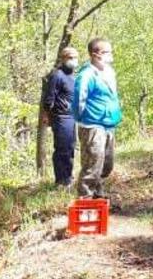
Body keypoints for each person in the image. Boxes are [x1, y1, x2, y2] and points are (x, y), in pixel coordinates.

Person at [73, 38, 122, 198]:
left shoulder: (109, 72)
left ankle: (97, 192)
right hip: (92, 125)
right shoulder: (87, 74)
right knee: (93, 163)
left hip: (108, 124)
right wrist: (83, 120)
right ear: (95, 54)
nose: (110, 55)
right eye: (107, 52)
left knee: (106, 164)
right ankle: (86, 198)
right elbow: (78, 100)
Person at [42, 47, 79, 186]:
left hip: (72, 117)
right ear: (63, 59)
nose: (73, 60)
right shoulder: (57, 76)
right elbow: (49, 98)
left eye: (75, 57)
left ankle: (68, 177)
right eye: (70, 57)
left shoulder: (73, 77)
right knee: (62, 149)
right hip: (61, 117)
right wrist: (47, 116)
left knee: (70, 148)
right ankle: (61, 181)